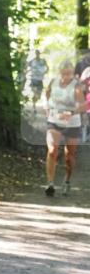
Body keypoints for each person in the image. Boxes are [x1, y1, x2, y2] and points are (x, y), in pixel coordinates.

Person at [43, 60, 85, 197]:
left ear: (73, 74)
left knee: (69, 155)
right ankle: (50, 184)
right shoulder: (53, 82)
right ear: (59, 72)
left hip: (72, 123)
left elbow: (82, 105)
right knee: (52, 149)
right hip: (54, 121)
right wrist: (47, 107)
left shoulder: (76, 86)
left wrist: (71, 112)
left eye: (68, 74)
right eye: (63, 74)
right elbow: (47, 96)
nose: (65, 77)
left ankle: (67, 180)